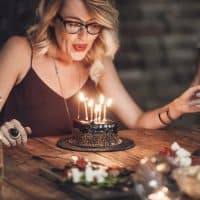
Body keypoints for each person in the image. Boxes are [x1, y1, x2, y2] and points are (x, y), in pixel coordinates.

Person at [0, 0, 200, 147]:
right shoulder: (20, 51)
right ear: (53, 19)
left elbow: (138, 121)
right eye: (73, 23)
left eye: (93, 25)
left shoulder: (98, 61)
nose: (84, 36)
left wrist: (177, 107)